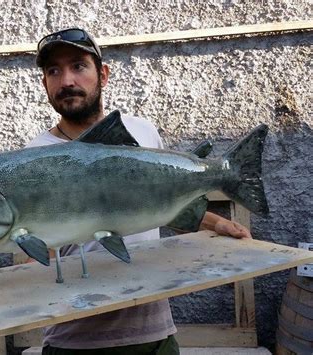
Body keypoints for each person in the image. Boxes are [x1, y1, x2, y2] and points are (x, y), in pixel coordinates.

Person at [26, 28, 251, 355]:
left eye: (78, 66)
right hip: (74, 339)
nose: (66, 81)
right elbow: (38, 254)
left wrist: (216, 224)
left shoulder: (142, 131)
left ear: (102, 73)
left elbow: (164, 202)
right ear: (45, 83)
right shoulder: (34, 157)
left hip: (154, 332)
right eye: (53, 71)